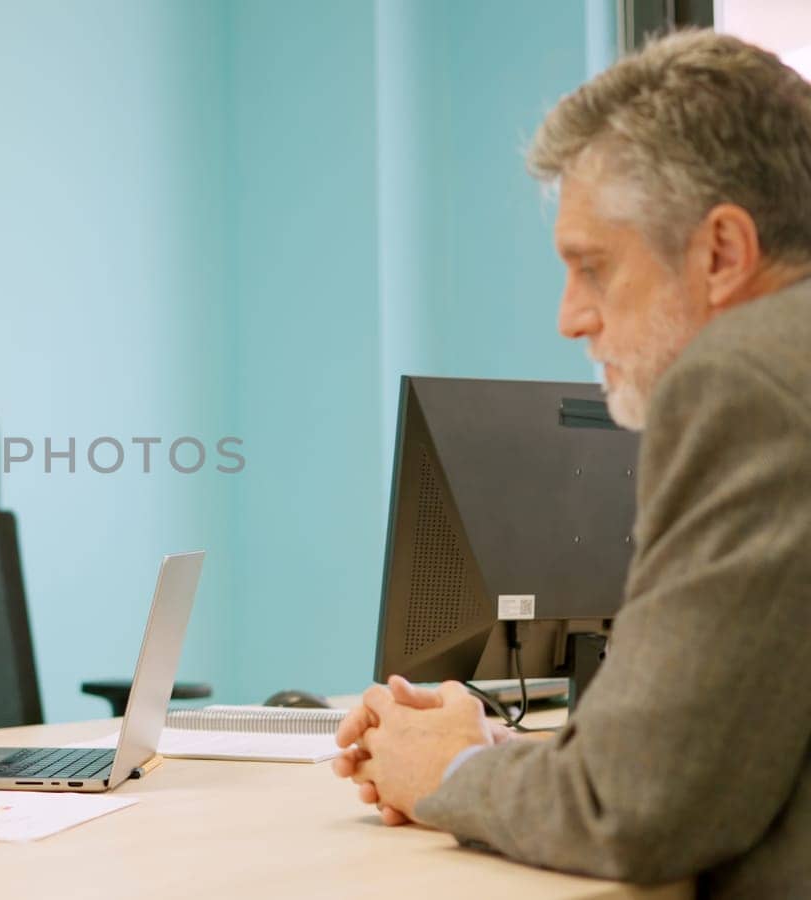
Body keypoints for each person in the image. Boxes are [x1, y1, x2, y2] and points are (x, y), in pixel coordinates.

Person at [333, 30, 811, 896]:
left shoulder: (746, 383)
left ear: (722, 253)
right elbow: (716, 762)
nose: (570, 317)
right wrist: (506, 758)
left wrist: (449, 774)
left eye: (592, 268)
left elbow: (632, 811)